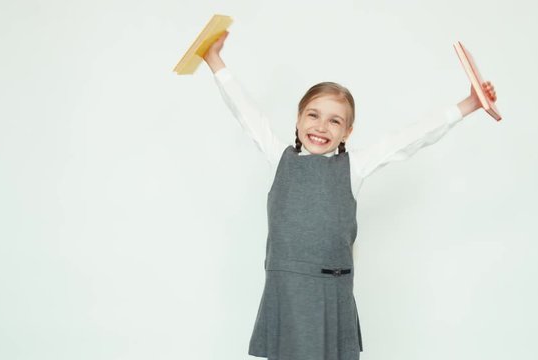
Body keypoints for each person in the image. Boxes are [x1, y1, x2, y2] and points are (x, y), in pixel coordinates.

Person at [202, 31, 497, 360]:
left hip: (332, 291)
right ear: (298, 119)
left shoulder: (353, 166)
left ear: (347, 132)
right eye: (313, 115)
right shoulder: (279, 158)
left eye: (335, 121)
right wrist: (215, 60)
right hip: (286, 289)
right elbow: (246, 112)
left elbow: (411, 137)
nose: (321, 127)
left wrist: (469, 104)